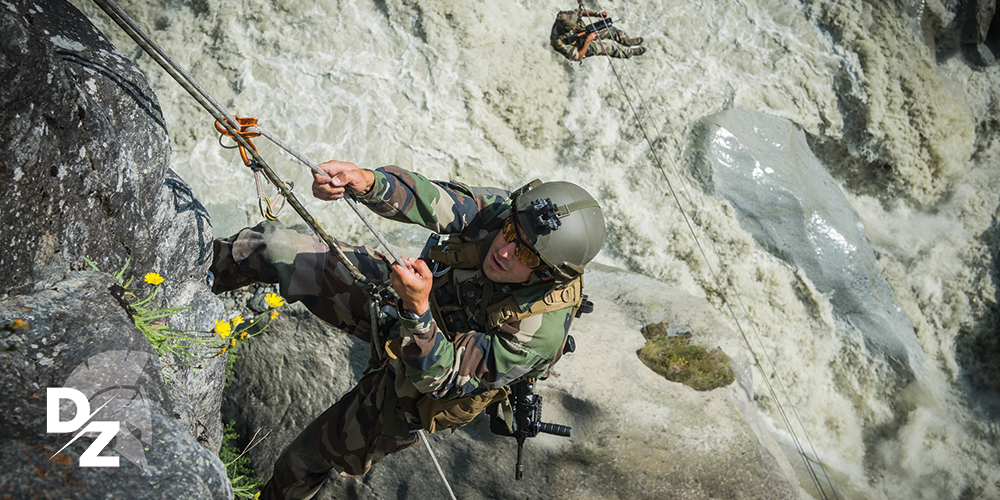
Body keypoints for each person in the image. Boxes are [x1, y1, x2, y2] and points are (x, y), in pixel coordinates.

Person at [209, 161, 606, 499]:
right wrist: (367, 182)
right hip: (407, 302)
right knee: (270, 246)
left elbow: (443, 379)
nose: (503, 249)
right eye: (509, 234)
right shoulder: (514, 214)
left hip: (420, 383)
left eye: (523, 253)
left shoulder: (538, 331)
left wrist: (417, 310)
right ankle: (178, 280)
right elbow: (435, 200)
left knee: (301, 461)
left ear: (548, 273)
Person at [550, 8, 645, 61]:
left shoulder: (566, 16)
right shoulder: (560, 43)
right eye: (573, 26)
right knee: (610, 48)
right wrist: (588, 41)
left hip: (582, 33)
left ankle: (627, 42)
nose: (575, 25)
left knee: (611, 30)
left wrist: (596, 14)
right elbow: (579, 57)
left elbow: (581, 12)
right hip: (581, 47)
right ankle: (630, 52)